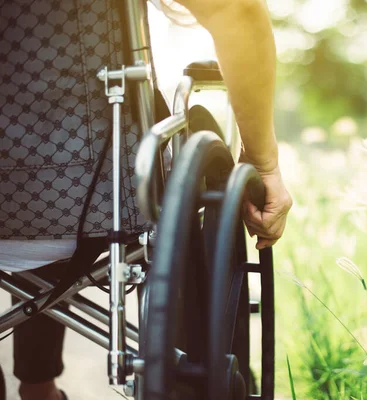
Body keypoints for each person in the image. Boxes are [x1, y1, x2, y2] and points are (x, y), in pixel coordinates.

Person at [0, 0, 292, 398]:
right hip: (92, 197)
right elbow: (235, 11)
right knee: (59, 176)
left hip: (24, 206)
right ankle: (38, 387)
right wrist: (264, 162)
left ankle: (40, 384)